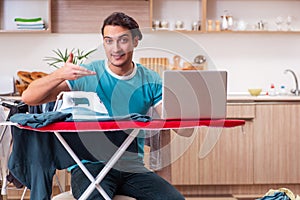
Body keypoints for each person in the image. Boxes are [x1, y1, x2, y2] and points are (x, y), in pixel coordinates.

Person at [22, 12, 188, 200]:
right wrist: (58, 75)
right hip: (89, 166)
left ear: (136, 41)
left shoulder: (150, 79)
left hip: (132, 168)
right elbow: (29, 97)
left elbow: (178, 126)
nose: (115, 48)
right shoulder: (87, 74)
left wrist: (187, 109)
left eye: (123, 40)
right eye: (109, 41)